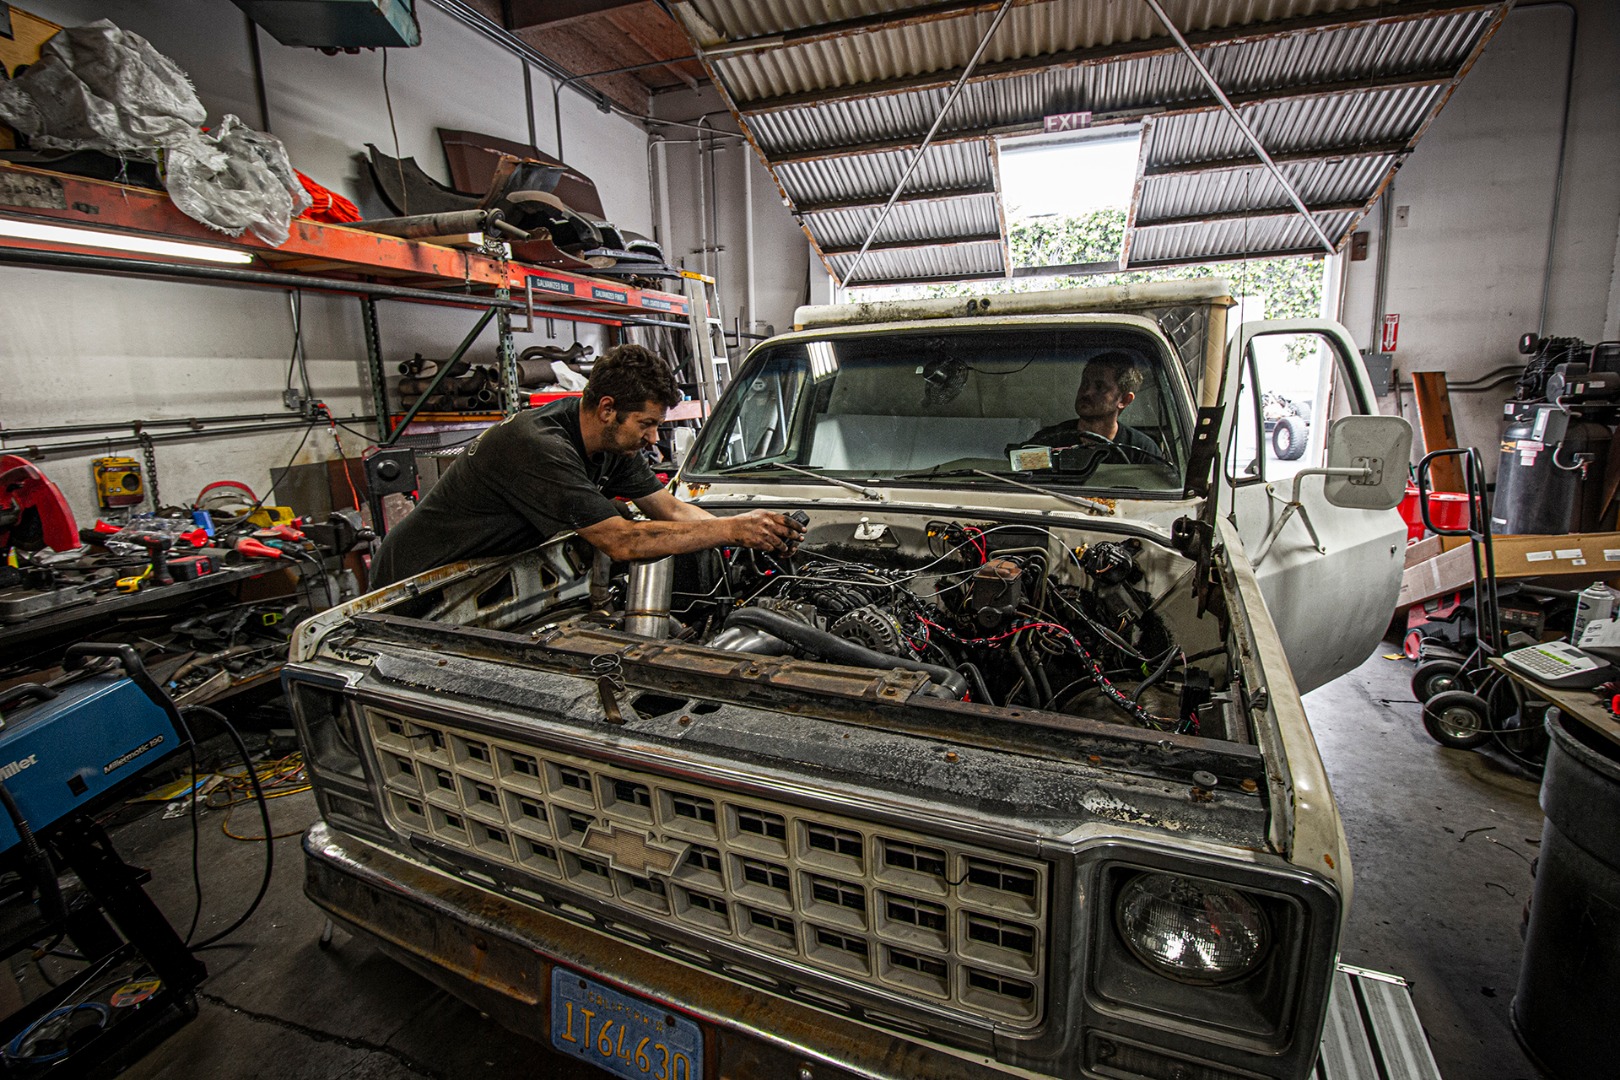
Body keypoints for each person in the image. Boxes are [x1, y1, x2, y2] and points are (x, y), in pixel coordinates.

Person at [369, 344, 802, 587]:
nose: (654, 439)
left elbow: (670, 509)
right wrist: (731, 530)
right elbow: (622, 542)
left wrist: (750, 534)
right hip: (414, 583)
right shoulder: (537, 446)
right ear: (608, 409)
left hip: (478, 579)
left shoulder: (614, 446)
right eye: (647, 424)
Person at [1019, 350, 1164, 462]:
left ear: (1124, 400)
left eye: (1100, 387)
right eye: (1085, 383)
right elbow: (1019, 473)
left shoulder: (1142, 451)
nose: (1087, 392)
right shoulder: (1048, 441)